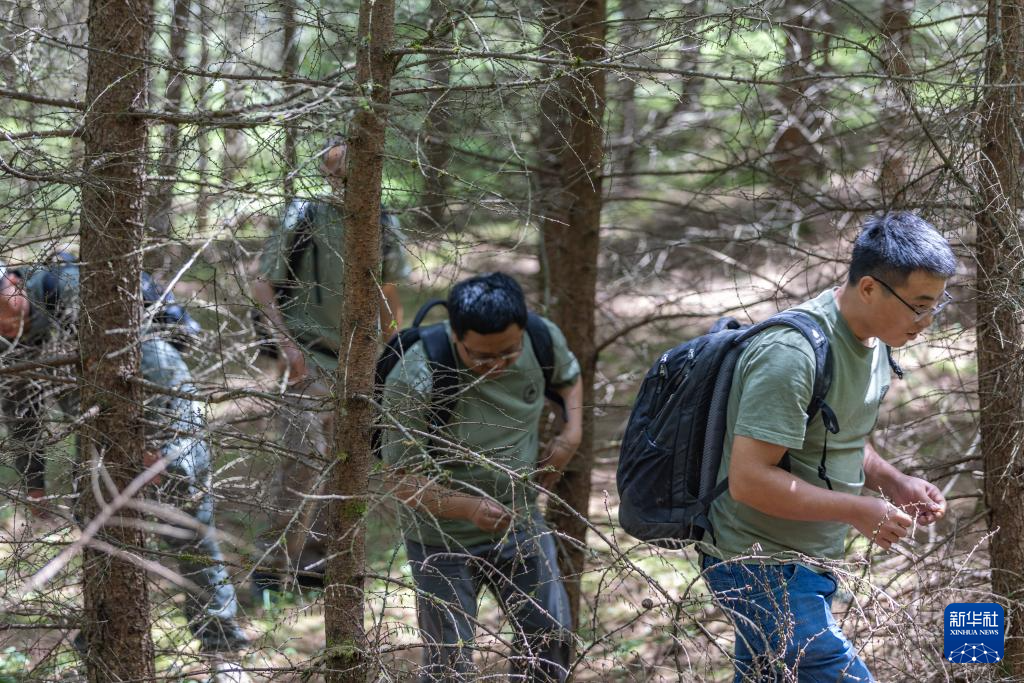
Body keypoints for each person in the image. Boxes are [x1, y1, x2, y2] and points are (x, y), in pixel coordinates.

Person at [701, 212, 957, 682]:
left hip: (807, 565)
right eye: (919, 305)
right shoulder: (792, 354)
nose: (928, 320)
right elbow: (749, 479)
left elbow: (834, 435)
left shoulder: (874, 341)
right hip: (760, 567)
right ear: (868, 289)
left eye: (937, 305)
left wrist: (892, 481)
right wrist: (856, 509)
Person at [0, 258, 250, 667]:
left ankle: (222, 652)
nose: (2, 325)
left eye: (0, 309)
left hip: (161, 403)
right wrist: (34, 481)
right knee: (99, 532)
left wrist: (148, 440)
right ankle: (103, 651)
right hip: (97, 427)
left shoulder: (71, 285)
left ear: (12, 282)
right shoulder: (7, 333)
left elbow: (139, 354)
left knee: (185, 525)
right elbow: (20, 406)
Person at [380, 272, 583, 683]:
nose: (497, 366)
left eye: (508, 353)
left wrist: (571, 433)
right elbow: (399, 479)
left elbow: (568, 377)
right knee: (449, 661)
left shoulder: (542, 338)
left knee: (549, 638)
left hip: (521, 518)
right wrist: (468, 508)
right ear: (456, 337)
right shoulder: (416, 375)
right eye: (481, 358)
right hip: (440, 536)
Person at [250, 139, 410, 583]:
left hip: (358, 362)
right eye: (332, 172)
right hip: (308, 354)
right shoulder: (304, 215)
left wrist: (394, 352)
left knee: (344, 465)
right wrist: (288, 348)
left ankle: (316, 570)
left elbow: (389, 291)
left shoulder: (382, 220)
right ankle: (270, 567)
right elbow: (263, 284)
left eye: (349, 172)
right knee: (302, 460)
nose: (340, 181)